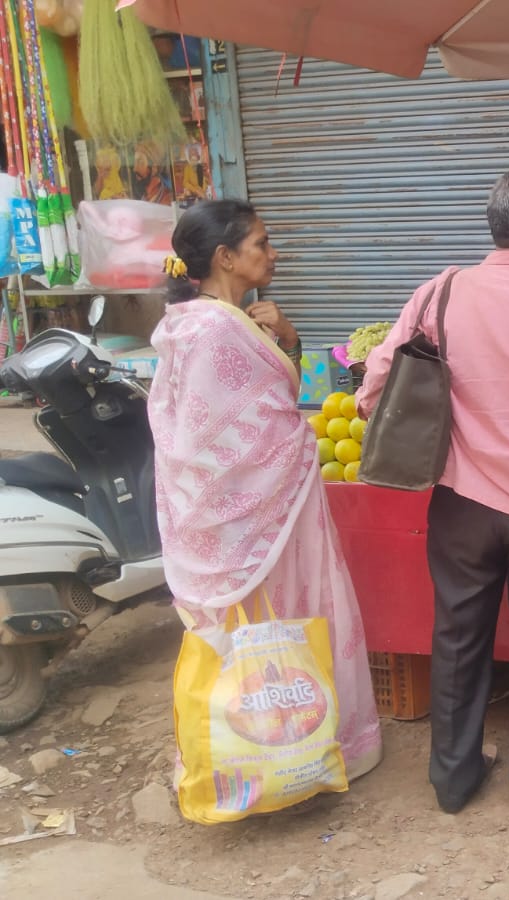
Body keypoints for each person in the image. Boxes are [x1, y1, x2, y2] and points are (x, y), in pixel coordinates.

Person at [357, 167, 509, 817]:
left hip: (460, 503)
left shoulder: (443, 290)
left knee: (458, 641)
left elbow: (376, 385)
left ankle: (454, 780)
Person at [149, 200, 383, 784]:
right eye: (261, 243)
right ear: (226, 258)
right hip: (255, 515)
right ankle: (291, 754)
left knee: (253, 635)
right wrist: (297, 447)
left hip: (231, 517)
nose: (273, 253)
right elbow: (236, 438)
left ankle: (260, 755)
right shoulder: (216, 331)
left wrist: (289, 336)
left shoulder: (199, 322)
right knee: (278, 623)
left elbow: (260, 408)